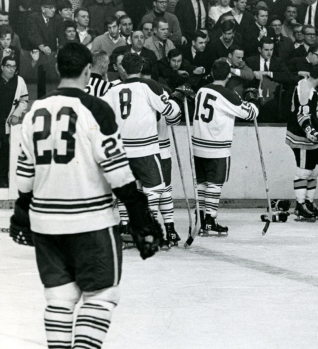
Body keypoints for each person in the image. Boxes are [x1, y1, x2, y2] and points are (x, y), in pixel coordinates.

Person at [9, 42, 162, 349]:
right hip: (91, 222)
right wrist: (140, 216)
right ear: (88, 70)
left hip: (46, 223)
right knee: (102, 295)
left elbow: (24, 177)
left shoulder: (35, 111)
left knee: (59, 298)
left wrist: (22, 214)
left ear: (57, 69)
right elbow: (118, 172)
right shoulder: (96, 109)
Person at [101, 53, 183, 245]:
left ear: (123, 69)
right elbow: (170, 113)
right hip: (145, 149)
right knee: (156, 188)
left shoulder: (113, 89)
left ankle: (126, 225)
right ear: (140, 67)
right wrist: (177, 100)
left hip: (121, 151)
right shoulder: (148, 86)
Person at [191, 60, 258, 234]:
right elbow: (249, 113)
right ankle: (210, 219)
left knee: (202, 183)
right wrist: (253, 101)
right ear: (228, 75)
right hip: (217, 146)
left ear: (212, 73)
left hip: (198, 144)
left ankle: (201, 216)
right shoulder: (228, 94)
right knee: (215, 183)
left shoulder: (201, 90)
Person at [287, 63, 318, 221]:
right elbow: (302, 113)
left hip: (310, 136)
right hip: (301, 136)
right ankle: (300, 205)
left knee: (315, 169)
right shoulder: (304, 87)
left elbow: (314, 114)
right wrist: (309, 131)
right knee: (304, 171)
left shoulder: (311, 89)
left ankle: (309, 203)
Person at [0, 56, 28, 188]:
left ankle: (3, 179)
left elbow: (24, 100)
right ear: (2, 67)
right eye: (8, 66)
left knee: (6, 151)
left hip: (7, 122)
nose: (11, 69)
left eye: (14, 67)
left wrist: (17, 114)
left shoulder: (19, 81)